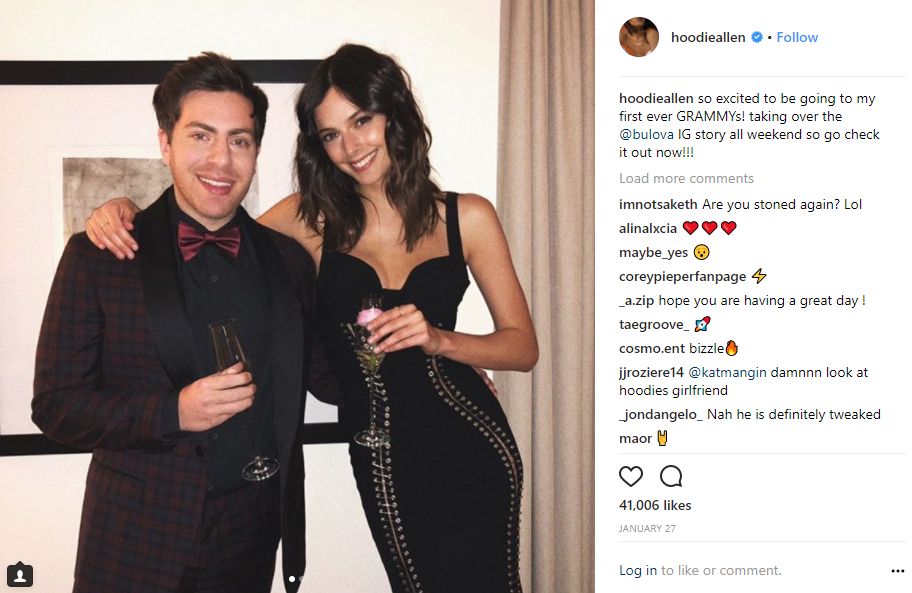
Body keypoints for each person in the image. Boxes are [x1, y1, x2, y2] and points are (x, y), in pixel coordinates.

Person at [86, 43, 538, 593]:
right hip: (382, 451)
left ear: (394, 113)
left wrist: (442, 340)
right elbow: (213, 229)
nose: (351, 147)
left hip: (470, 435)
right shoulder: (310, 220)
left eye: (362, 120)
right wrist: (125, 208)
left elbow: (522, 348)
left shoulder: (468, 216)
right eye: (330, 135)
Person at [33, 52, 336, 593]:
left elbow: (324, 375)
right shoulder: (98, 255)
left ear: (256, 151)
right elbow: (56, 406)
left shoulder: (289, 262)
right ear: (165, 143)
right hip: (132, 544)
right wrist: (173, 412)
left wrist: (431, 362)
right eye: (200, 136)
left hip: (249, 541)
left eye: (240, 140)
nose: (221, 160)